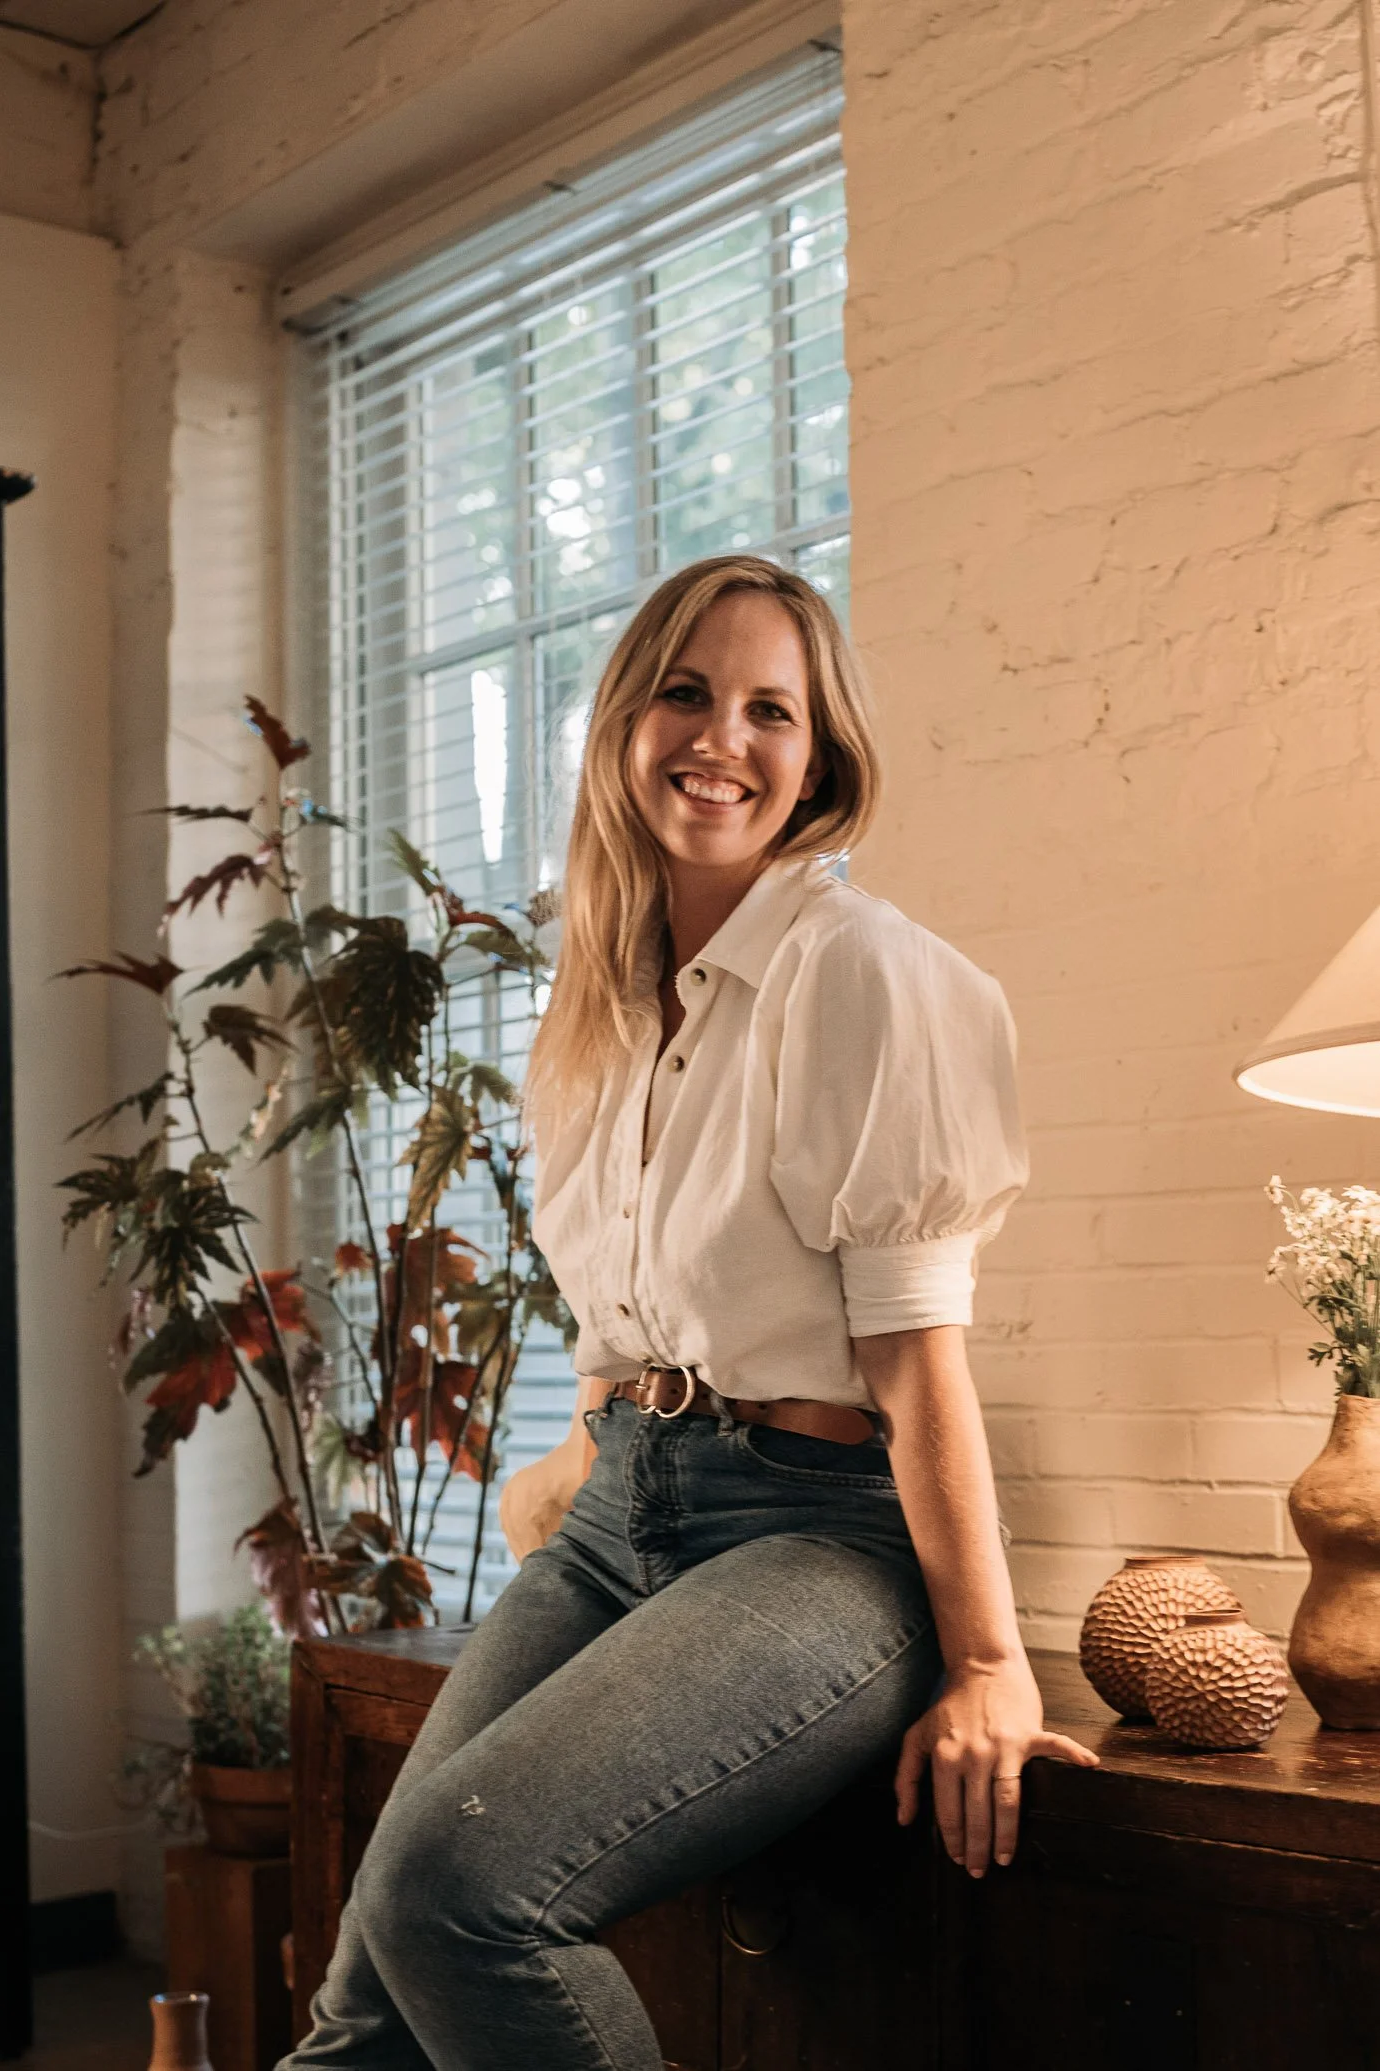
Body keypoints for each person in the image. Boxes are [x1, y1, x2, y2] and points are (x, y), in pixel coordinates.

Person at [281, 553, 1098, 2071]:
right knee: (371, 1972)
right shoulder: (594, 1013)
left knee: (464, 1895)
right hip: (622, 1521)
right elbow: (619, 1348)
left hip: (818, 1540)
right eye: (688, 691)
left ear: (819, 757)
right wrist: (579, 1479)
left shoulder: (859, 972)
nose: (723, 736)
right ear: (623, 722)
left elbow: (915, 1362)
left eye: (770, 709)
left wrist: (988, 1659)